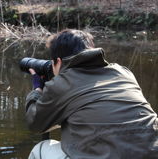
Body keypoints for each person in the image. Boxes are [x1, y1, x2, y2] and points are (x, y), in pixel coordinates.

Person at [25, 29, 158, 159]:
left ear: (58, 62)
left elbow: (36, 123)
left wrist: (37, 90)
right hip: (153, 151)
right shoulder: (123, 72)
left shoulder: (62, 83)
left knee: (41, 148)